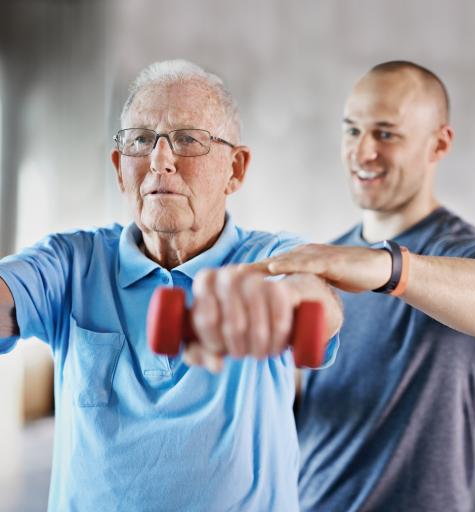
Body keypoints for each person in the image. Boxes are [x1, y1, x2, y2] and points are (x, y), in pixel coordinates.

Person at [0, 59, 342, 511]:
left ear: (235, 170)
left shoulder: (268, 258)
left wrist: (279, 301)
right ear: (121, 167)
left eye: (188, 140)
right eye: (141, 141)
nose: (160, 161)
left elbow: (317, 295)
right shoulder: (71, 263)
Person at [256, 61, 475, 511]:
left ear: (439, 143)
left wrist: (389, 269)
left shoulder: (466, 255)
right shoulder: (327, 261)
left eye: (385, 134)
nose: (362, 152)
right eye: (352, 131)